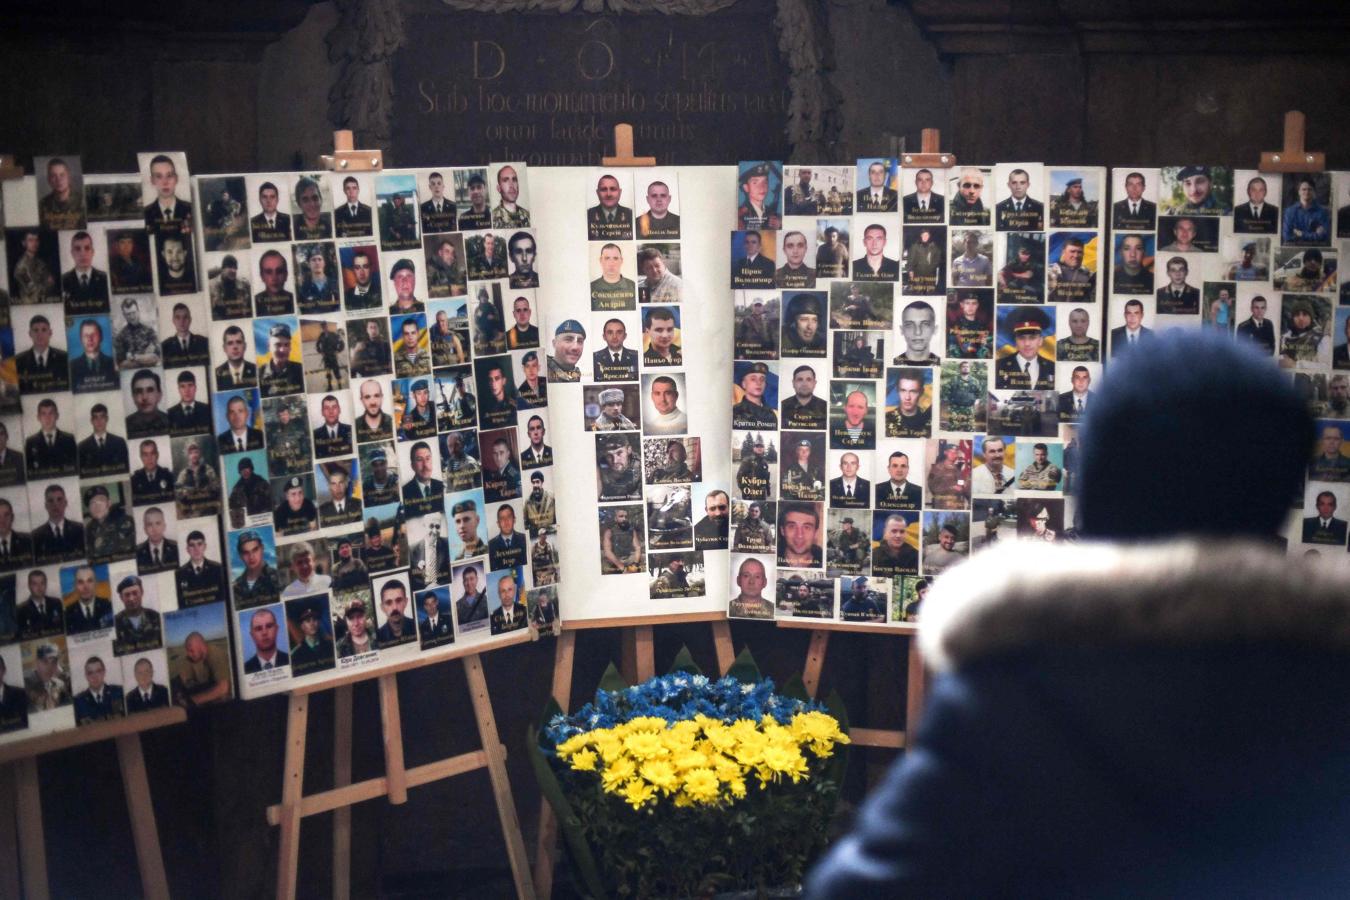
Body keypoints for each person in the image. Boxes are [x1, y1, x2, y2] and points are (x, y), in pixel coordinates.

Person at [995, 307, 1054, 389]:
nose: (1027, 343)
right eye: (1022, 338)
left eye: (1032, 338)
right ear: (1016, 341)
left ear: (1040, 341)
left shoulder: (1052, 368)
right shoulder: (998, 366)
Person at [173, 631, 231, 708]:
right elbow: (182, 678)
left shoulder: (216, 655)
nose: (188, 654)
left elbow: (223, 688)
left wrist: (192, 701)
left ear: (201, 646)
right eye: (187, 651)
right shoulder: (194, 658)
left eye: (191, 650)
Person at [17, 314, 70, 394]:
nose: (40, 334)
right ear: (30, 333)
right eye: (36, 330)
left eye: (44, 330)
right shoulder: (19, 361)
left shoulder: (64, 358)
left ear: (50, 333)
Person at [60, 230, 109, 312]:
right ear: (72, 253)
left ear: (92, 252)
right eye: (78, 249)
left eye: (87, 248)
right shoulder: (63, 281)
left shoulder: (105, 279)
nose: (83, 253)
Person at [84, 484, 135, 562]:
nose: (97, 506)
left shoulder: (125, 521)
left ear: (109, 503)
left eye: (101, 500)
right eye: (92, 503)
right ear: (89, 509)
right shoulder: (89, 528)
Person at [112, 574, 161, 655]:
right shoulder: (115, 623)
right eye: (127, 595)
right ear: (121, 597)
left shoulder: (155, 617)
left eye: (135, 593)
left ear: (142, 592)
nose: (131, 598)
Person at [77, 403, 129, 477]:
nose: (99, 421)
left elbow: (126, 470)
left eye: (102, 417)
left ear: (107, 419)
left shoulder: (119, 443)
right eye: (95, 418)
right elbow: (82, 474)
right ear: (91, 421)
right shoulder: (82, 447)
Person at [232, 530, 281, 608]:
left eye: (255, 550)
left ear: (262, 548)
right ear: (240, 555)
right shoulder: (235, 587)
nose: (251, 557)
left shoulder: (278, 578)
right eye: (246, 552)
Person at [70, 318, 118, 393]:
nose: (90, 339)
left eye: (93, 334)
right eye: (86, 335)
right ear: (81, 339)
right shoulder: (71, 366)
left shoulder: (113, 363)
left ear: (101, 337)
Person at [1282, 176, 1331, 246]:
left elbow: (1324, 236)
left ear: (1314, 191)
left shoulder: (1322, 212)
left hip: (1316, 250)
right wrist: (1314, 235)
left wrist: (1301, 234)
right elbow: (1287, 236)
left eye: (1310, 189)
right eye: (1303, 189)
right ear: (1299, 191)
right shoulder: (1289, 212)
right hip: (1294, 250)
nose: (1307, 192)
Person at [39, 157, 84, 230]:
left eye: (62, 175)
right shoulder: (42, 205)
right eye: (53, 176)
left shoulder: (82, 202)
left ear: (68, 177)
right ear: (49, 179)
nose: (58, 180)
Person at [1047, 236, 1095, 303]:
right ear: (1063, 252)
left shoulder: (1090, 275)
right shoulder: (1050, 271)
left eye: (1079, 252)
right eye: (1072, 251)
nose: (1076, 256)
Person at [17, 570, 62, 640]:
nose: (39, 587)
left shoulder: (56, 603)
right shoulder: (21, 610)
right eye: (35, 584)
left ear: (46, 584)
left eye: (42, 583)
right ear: (29, 586)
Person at [587, 173, 633, 239]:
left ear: (620, 192)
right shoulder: (588, 215)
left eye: (613, 189)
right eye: (603, 189)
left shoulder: (630, 215)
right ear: (597, 193)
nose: (608, 194)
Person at [25, 644, 70, 712]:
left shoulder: (60, 684)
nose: (50, 667)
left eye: (54, 662)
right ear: (36, 663)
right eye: (45, 661)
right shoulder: (26, 685)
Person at [780, 364, 827, 430]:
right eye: (800, 379)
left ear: (814, 383)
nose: (804, 384)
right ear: (793, 383)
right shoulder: (782, 406)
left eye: (808, 379)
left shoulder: (825, 407)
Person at [243, 608, 289, 674]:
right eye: (258, 629)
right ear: (252, 635)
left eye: (269, 626)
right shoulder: (245, 669)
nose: (264, 632)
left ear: (276, 630)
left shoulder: (291, 660)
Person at [894, 301, 941, 366]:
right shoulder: (891, 364)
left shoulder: (943, 366)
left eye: (925, 324)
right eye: (909, 325)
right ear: (902, 330)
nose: (917, 332)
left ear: (935, 329)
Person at [777, 502, 822, 568]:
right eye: (792, 526)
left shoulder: (825, 562)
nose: (799, 535)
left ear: (815, 532)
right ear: (782, 531)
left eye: (807, 527)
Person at [601, 507, 644, 574]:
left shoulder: (632, 531)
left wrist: (635, 565)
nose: (624, 519)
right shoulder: (609, 532)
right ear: (615, 518)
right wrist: (623, 568)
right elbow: (607, 552)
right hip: (615, 560)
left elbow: (637, 547)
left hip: (629, 558)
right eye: (621, 516)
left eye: (626, 517)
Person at [135, 506, 178, 573]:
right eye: (149, 524)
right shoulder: (137, 552)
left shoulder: (176, 548)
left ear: (164, 526)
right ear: (145, 529)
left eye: (158, 523)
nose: (154, 529)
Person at [737, 163, 780, 229]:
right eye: (755, 183)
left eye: (765, 182)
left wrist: (779, 225)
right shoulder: (740, 215)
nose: (762, 187)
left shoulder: (771, 212)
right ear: (746, 188)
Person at [375, 581, 416, 645]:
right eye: (388, 602)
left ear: (406, 602)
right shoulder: (378, 637)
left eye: (399, 600)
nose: (395, 608)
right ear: (382, 607)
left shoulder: (417, 626)